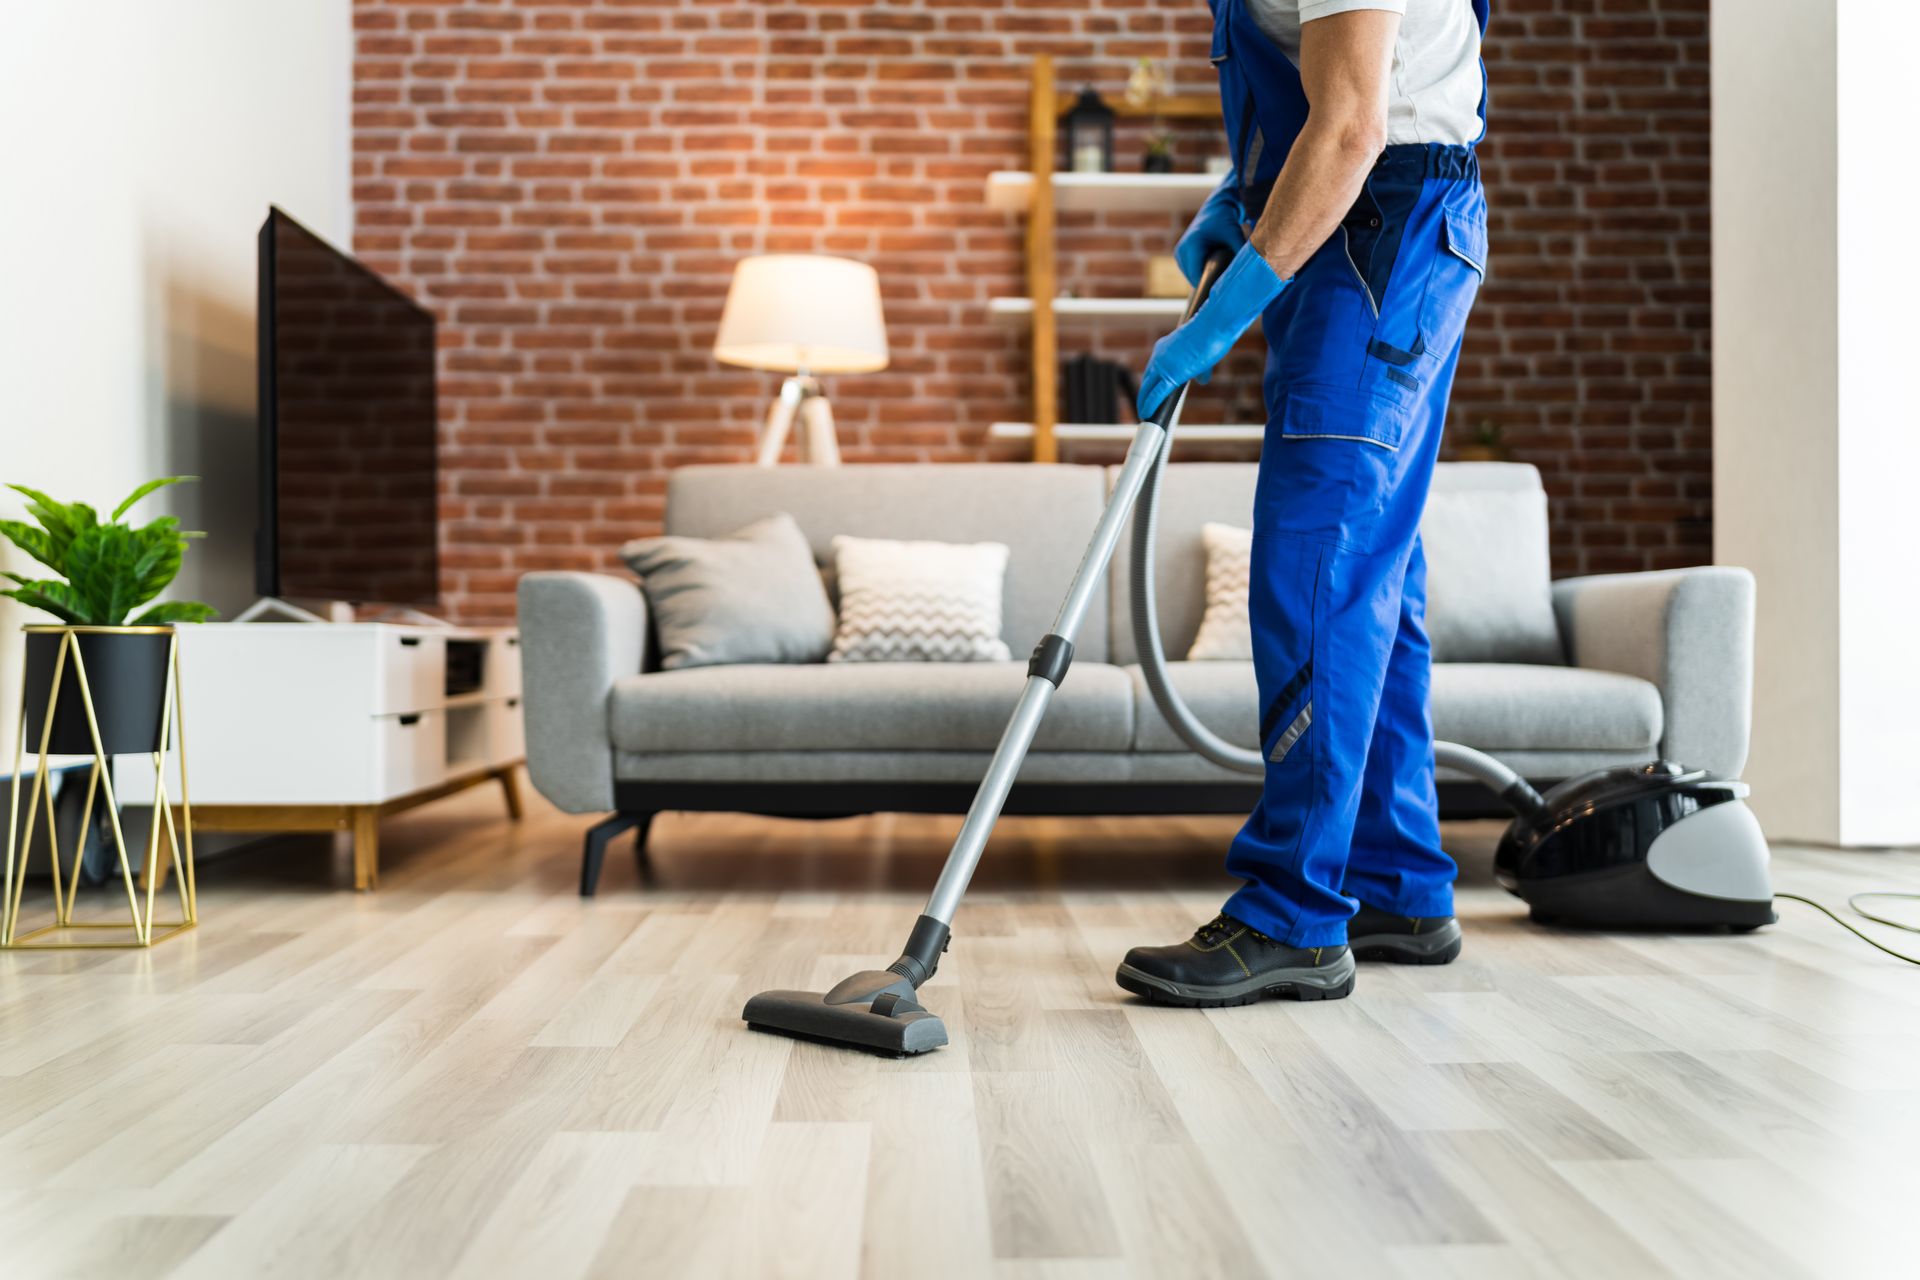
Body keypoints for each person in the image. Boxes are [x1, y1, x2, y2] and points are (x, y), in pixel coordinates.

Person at [1116, 0, 1490, 1006]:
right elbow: (1324, 89)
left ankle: (1293, 913)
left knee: (1313, 559)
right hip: (1367, 213)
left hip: (1385, 218)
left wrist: (1219, 321)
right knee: (1372, 566)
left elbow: (1356, 122)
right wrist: (1236, 198)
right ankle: (1397, 880)